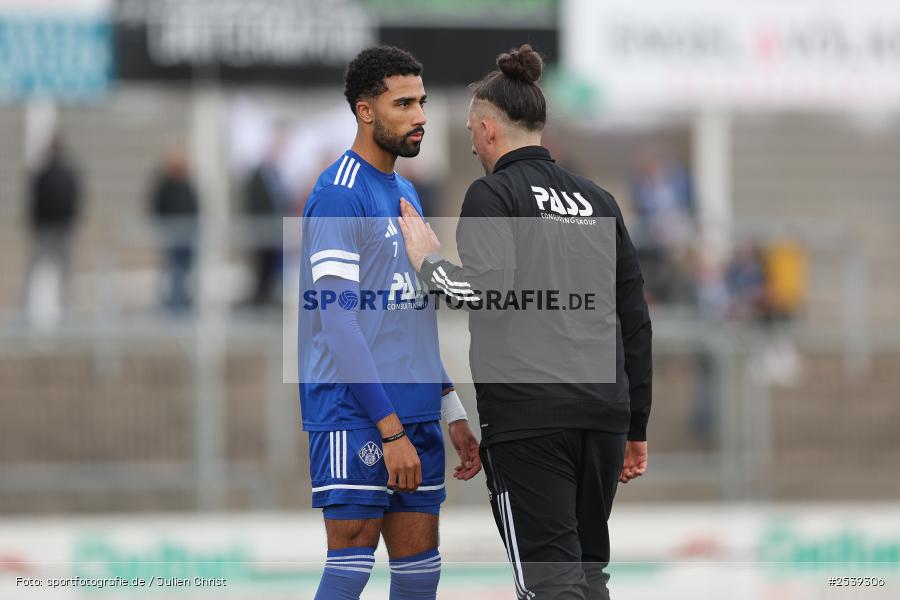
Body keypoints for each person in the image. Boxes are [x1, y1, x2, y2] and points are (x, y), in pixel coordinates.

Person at [397, 44, 653, 599]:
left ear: (489, 129)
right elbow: (634, 318)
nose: (468, 139)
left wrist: (428, 264)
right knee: (586, 576)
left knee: (548, 582)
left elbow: (487, 290)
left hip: (532, 420)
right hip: (604, 417)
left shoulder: (494, 194)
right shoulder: (599, 199)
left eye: (470, 128)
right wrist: (636, 424)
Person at [297, 46, 481, 600]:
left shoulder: (405, 193)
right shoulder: (337, 196)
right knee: (350, 566)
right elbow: (339, 325)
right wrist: (391, 429)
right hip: (356, 416)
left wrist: (450, 408)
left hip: (417, 412)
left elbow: (411, 315)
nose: (420, 115)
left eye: (422, 102)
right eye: (403, 103)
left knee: (421, 574)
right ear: (365, 111)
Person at [24, 135, 81, 329]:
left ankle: (34, 310)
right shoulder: (68, 173)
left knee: (37, 270)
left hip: (47, 228)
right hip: (61, 227)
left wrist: (36, 223)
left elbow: (34, 202)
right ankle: (63, 310)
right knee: (63, 271)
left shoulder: (43, 173)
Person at [149, 146, 198, 312]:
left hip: (187, 236)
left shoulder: (186, 183)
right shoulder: (165, 185)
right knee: (173, 271)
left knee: (185, 272)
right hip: (172, 236)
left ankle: (183, 302)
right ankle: (173, 304)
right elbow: (158, 208)